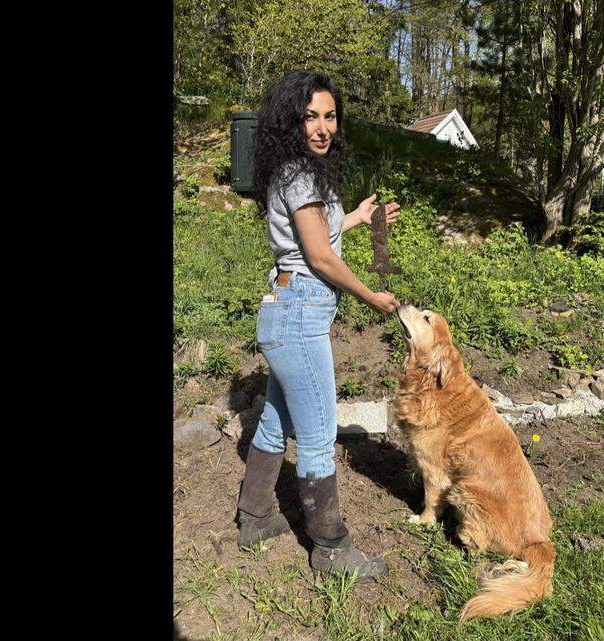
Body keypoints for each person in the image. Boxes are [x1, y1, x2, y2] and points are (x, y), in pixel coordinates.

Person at [234, 71, 401, 580]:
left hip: (286, 308)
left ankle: (254, 517)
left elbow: (314, 236)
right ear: (292, 121)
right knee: (318, 434)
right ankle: (330, 548)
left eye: (330, 116)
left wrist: (357, 217)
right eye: (311, 117)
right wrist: (371, 296)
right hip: (299, 314)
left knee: (274, 420)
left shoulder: (295, 172)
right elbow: (321, 257)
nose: (323, 127)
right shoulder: (301, 176)